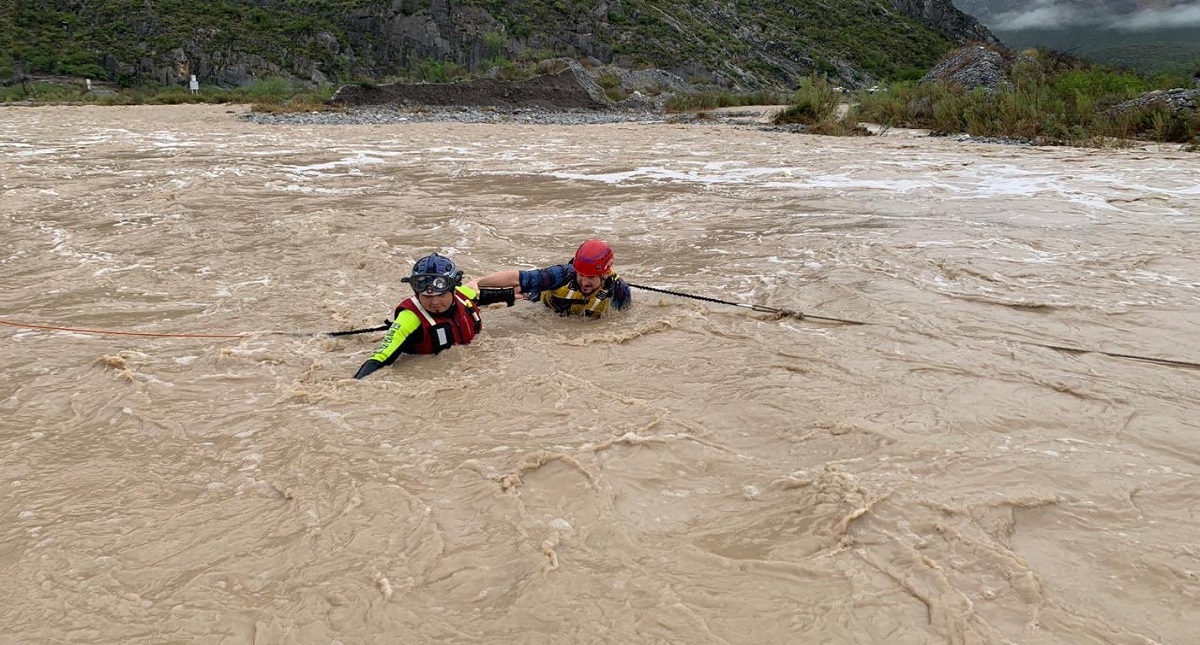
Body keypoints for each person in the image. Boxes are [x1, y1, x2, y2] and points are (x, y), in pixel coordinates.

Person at [353, 253, 515, 379]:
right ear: (417, 294)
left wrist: (514, 295)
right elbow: (380, 357)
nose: (435, 302)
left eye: (440, 295)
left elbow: (485, 296)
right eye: (427, 297)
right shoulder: (409, 319)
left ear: (453, 290)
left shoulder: (462, 295)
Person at [471, 239, 631, 318]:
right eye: (580, 275)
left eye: (590, 277)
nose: (584, 282)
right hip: (539, 306)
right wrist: (477, 282)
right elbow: (518, 278)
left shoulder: (619, 290)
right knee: (516, 291)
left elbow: (623, 321)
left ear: (604, 274)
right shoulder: (562, 274)